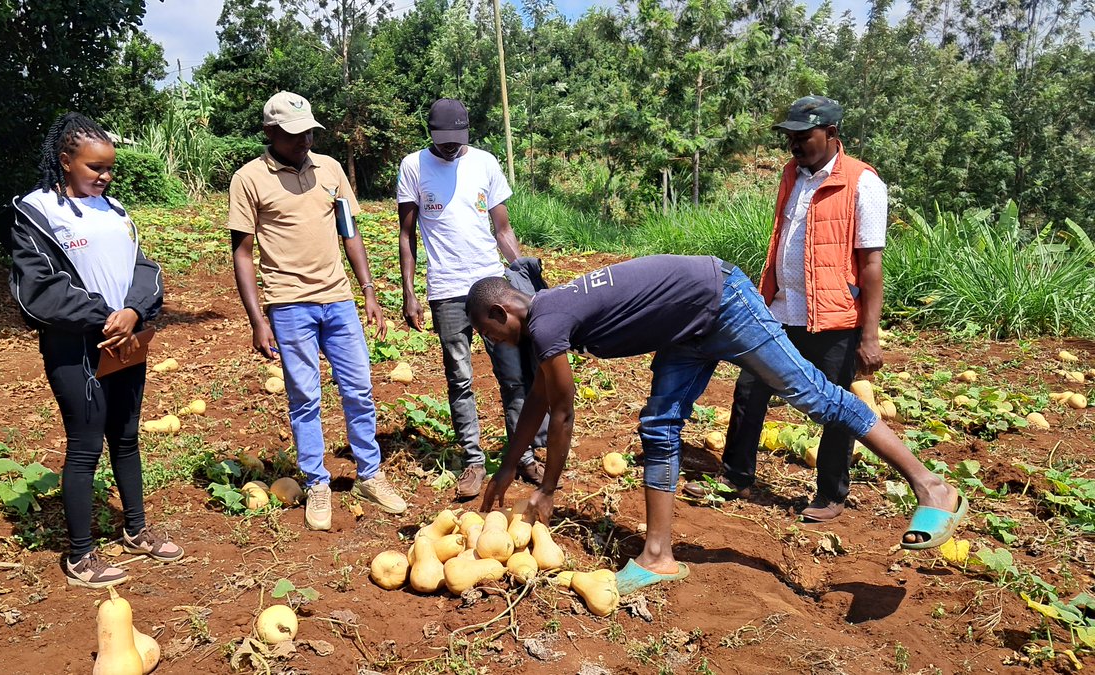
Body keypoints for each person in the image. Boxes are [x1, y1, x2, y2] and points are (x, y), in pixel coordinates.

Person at [471, 255, 965, 595]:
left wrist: (548, 489)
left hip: (720, 301)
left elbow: (561, 411)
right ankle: (658, 556)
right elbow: (539, 398)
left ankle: (932, 486)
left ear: (500, 311)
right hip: (685, 327)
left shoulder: (544, 323)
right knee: (659, 425)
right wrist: (507, 468)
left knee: (812, 395)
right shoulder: (548, 313)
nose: (494, 344)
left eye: (489, 334)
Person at [683, 96, 889, 523]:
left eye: (803, 137)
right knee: (749, 390)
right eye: (790, 137)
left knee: (835, 404)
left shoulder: (863, 183)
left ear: (831, 134)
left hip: (833, 317)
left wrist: (870, 336)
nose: (794, 145)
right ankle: (736, 473)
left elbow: (870, 265)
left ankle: (831, 494)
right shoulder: (791, 175)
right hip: (780, 309)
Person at [9, 112, 183, 588]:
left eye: (109, 169)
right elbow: (38, 290)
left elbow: (144, 267)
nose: (104, 177)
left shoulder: (116, 211)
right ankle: (80, 556)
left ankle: (137, 528)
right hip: (76, 348)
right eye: (94, 168)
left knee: (126, 436)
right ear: (65, 161)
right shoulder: (37, 212)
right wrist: (104, 316)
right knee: (85, 447)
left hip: (126, 340)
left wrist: (134, 311)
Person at [228, 92, 406, 531]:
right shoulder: (249, 179)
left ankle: (369, 474)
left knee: (359, 388)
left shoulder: (330, 170)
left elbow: (349, 232)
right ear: (270, 133)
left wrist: (368, 289)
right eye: (293, 134)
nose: (304, 140)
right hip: (288, 305)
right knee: (305, 397)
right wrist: (258, 319)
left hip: (339, 299)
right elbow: (243, 254)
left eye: (308, 131)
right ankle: (317, 483)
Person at [396, 98, 551, 500]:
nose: (450, 147)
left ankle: (524, 454)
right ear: (430, 132)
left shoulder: (484, 162)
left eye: (457, 140)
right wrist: (409, 293)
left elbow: (503, 229)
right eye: (442, 140)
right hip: (446, 289)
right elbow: (407, 236)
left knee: (513, 374)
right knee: (460, 378)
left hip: (491, 285)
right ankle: (473, 461)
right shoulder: (413, 166)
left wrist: (523, 275)